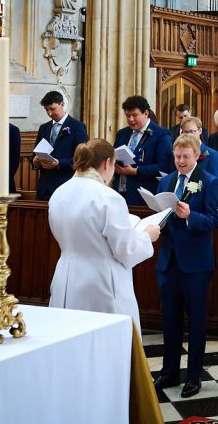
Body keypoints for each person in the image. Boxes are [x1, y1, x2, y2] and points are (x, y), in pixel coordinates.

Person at [47, 139, 160, 326]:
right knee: (101, 345)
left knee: (68, 339)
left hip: (65, 278)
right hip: (100, 284)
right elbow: (126, 250)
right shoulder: (109, 197)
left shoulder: (59, 192)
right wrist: (147, 236)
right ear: (107, 163)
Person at [155, 134, 218, 398]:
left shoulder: (208, 182)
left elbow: (214, 222)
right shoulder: (165, 180)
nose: (180, 161)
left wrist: (190, 216)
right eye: (177, 156)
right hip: (168, 260)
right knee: (169, 320)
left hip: (196, 263)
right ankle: (169, 371)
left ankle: (193, 375)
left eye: (185, 157)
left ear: (197, 156)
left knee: (195, 321)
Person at [112, 95, 172, 205]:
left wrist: (135, 171)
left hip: (143, 195)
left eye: (134, 115)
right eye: (128, 116)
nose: (131, 119)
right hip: (120, 192)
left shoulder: (161, 134)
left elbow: (164, 166)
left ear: (146, 113)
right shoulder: (122, 133)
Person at [33, 90, 89, 201]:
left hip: (65, 184)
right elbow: (34, 153)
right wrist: (35, 162)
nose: (49, 113)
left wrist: (59, 163)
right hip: (44, 187)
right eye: (46, 110)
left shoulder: (77, 126)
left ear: (62, 104)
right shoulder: (43, 128)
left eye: (52, 109)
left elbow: (83, 159)